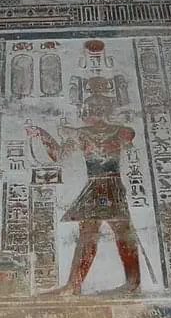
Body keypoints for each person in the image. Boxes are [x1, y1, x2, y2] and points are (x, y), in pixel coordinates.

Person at [26, 76, 141, 295]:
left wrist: (78, 134)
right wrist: (43, 135)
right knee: (91, 235)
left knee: (121, 232)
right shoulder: (80, 134)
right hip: (94, 186)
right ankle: (75, 285)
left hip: (110, 184)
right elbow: (58, 155)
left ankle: (131, 282)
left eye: (93, 109)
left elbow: (119, 139)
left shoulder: (117, 130)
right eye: (88, 109)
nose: (88, 113)